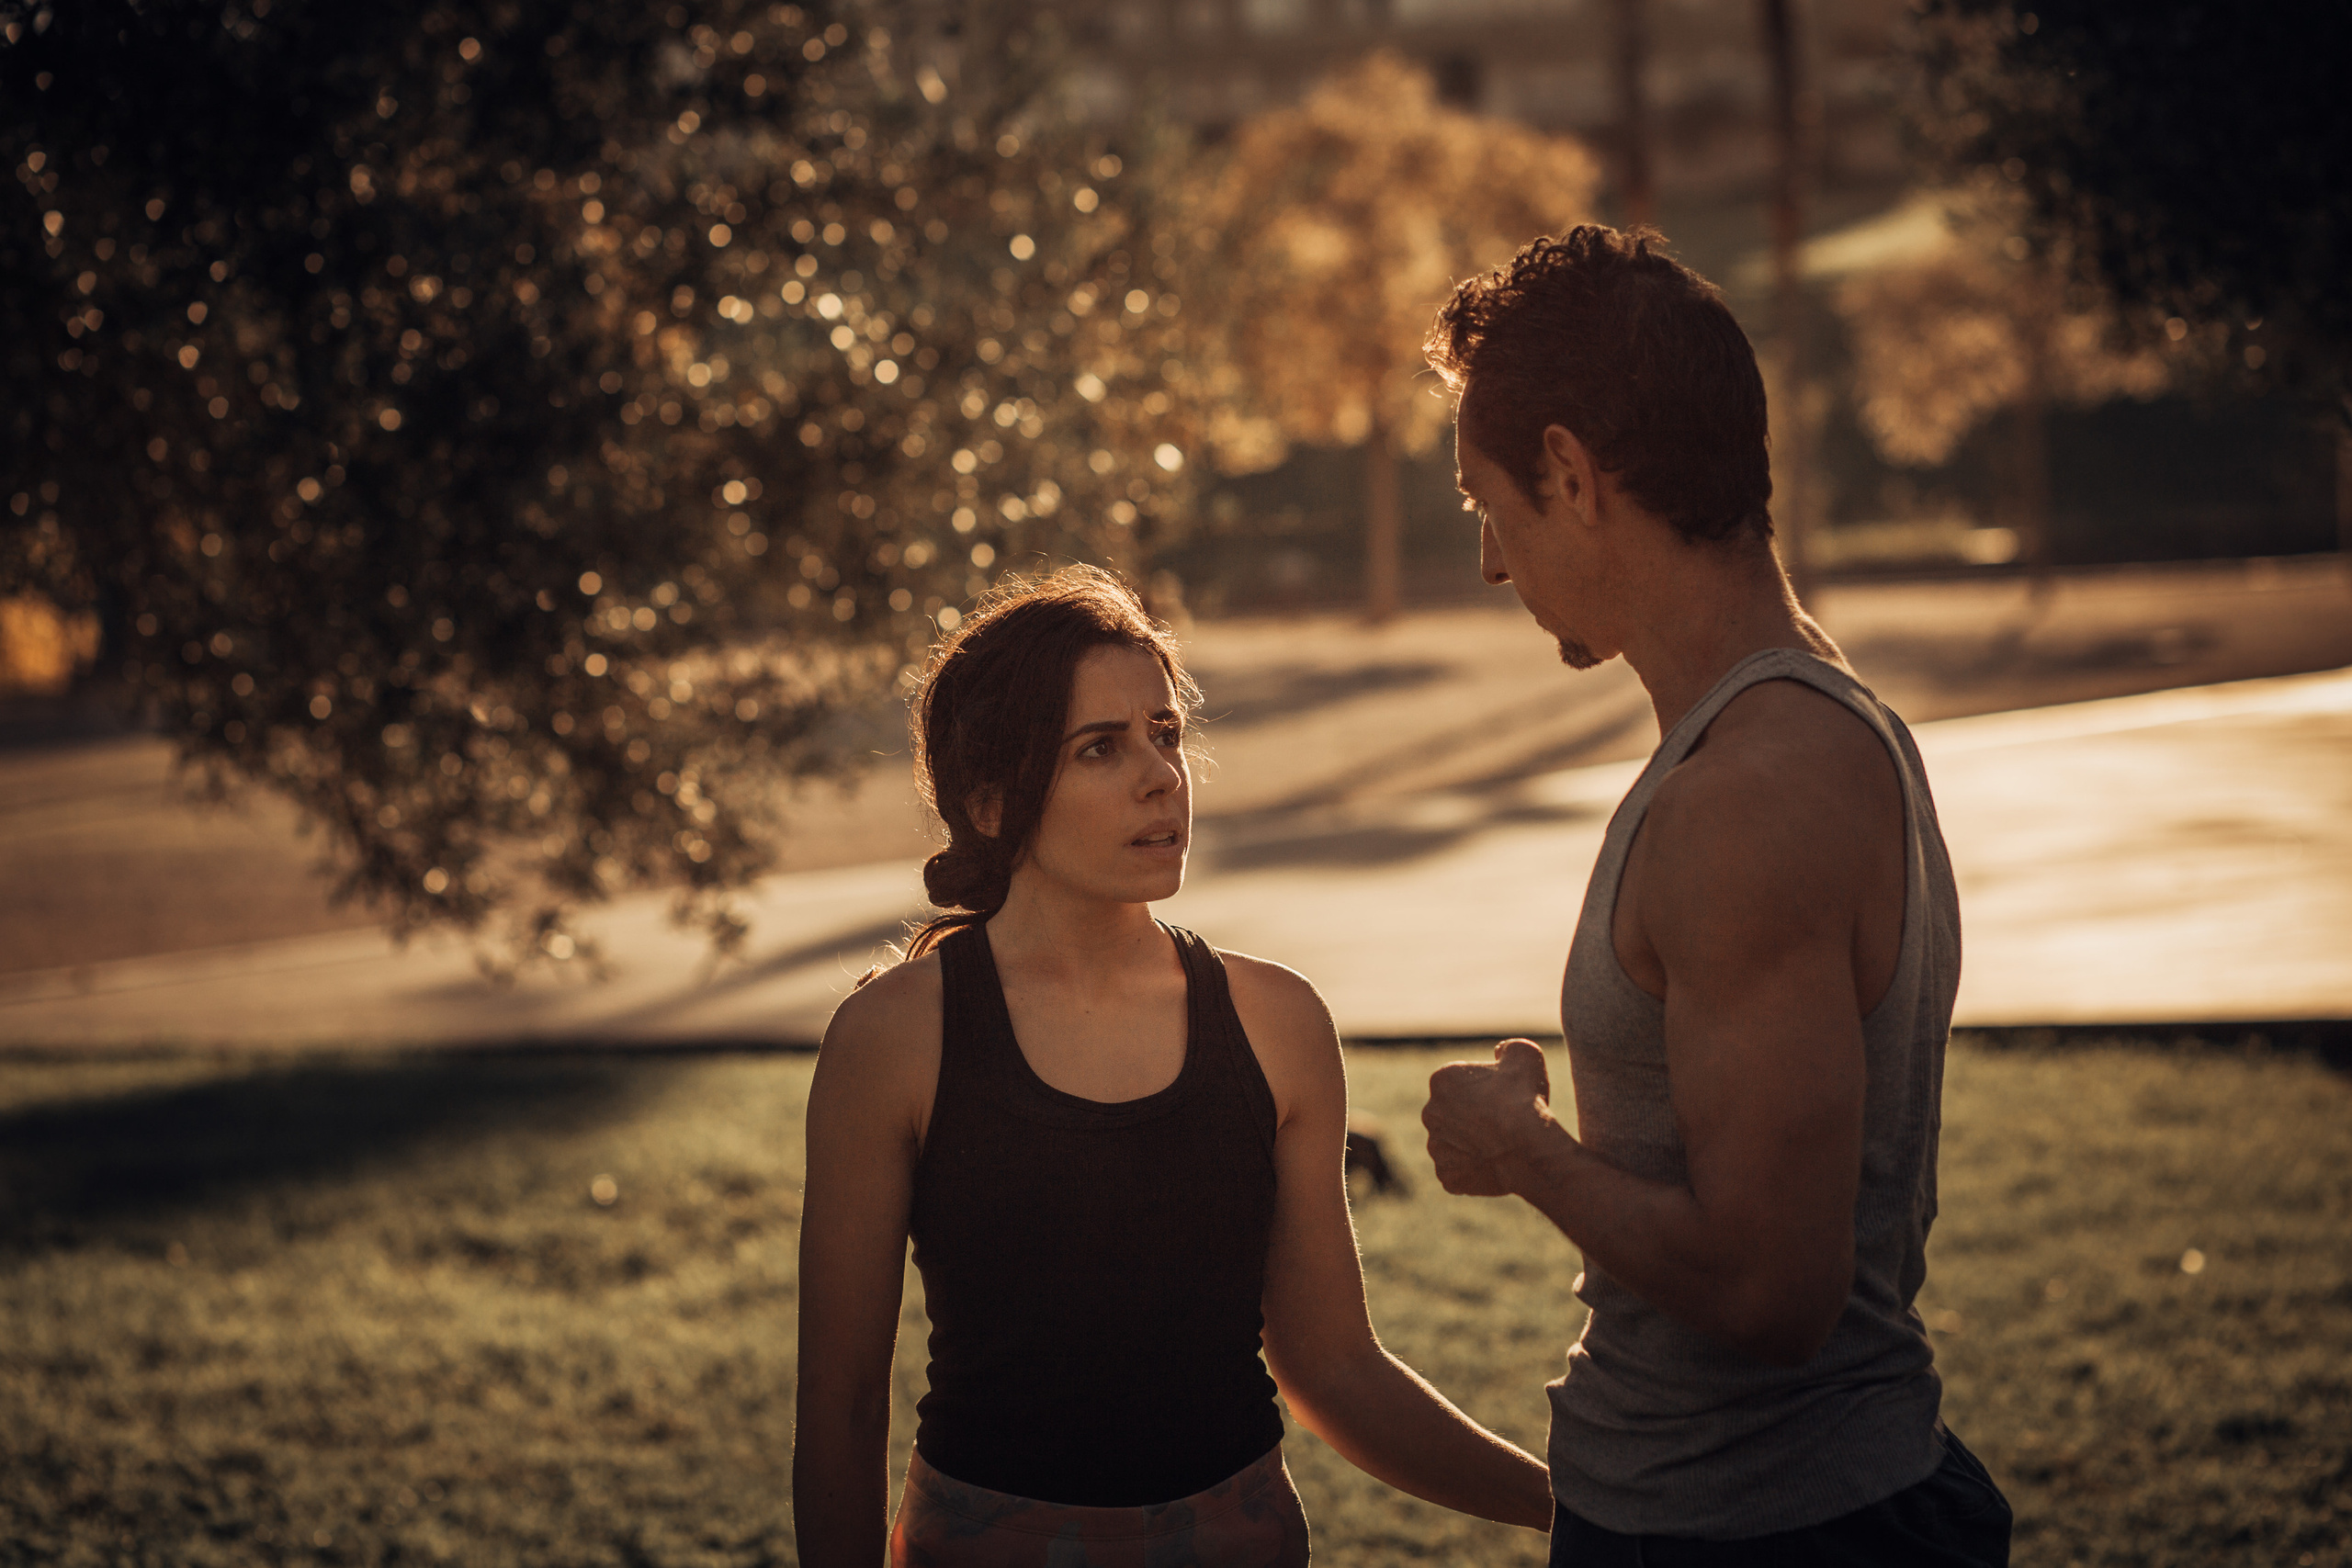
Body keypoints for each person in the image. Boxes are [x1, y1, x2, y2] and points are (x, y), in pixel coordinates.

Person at [1416, 226, 2013, 1566]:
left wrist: (1524, 1152)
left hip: (1757, 1530)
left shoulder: (1748, 795)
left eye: (1485, 507)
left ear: (1570, 474)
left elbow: (1769, 1290)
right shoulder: (1808, 712)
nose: (1493, 563)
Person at [793, 565, 1553, 1567]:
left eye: (1166, 733)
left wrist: (1571, 1506)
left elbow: (1334, 1368)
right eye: (1100, 748)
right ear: (991, 799)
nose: (1161, 776)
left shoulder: (1278, 1022)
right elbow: (843, 1406)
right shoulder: (892, 1038)